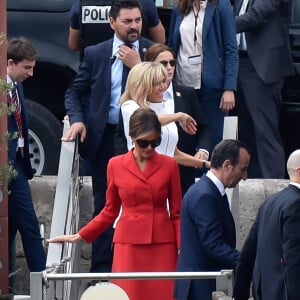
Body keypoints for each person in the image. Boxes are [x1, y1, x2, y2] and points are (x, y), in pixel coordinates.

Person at [49, 108, 182, 300]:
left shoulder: (169, 165)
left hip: (163, 244)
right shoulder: (115, 165)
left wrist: (182, 247)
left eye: (155, 142)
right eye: (144, 143)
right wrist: (80, 235)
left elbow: (177, 213)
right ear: (132, 137)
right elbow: (110, 211)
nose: (150, 148)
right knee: (128, 295)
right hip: (128, 245)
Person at [62, 0, 153, 274]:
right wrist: (78, 120)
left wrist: (139, 66)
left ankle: (137, 271)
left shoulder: (150, 52)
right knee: (105, 206)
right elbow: (73, 92)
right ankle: (101, 273)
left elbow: (165, 94)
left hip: (142, 143)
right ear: (112, 23)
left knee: (141, 208)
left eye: (137, 20)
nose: (134, 26)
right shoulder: (95, 54)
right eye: (128, 21)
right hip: (104, 141)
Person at [174, 139, 250, 300]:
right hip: (200, 287)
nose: (245, 176)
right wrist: (247, 261)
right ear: (227, 165)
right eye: (242, 169)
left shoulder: (208, 190)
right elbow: (213, 245)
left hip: (202, 284)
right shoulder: (205, 195)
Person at [233, 0, 293, 179]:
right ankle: (251, 183)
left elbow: (256, 16)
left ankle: (273, 189)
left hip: (261, 67)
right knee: (245, 131)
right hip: (238, 63)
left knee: (265, 132)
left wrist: (219, 24)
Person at [168, 0, 238, 148]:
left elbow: (231, 50)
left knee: (210, 139)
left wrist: (229, 87)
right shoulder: (179, 9)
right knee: (184, 138)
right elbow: (172, 46)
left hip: (211, 85)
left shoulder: (221, 7)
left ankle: (206, 171)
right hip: (183, 83)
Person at [144, 43, 212, 194]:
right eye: (163, 63)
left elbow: (203, 127)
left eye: (172, 63)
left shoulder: (186, 93)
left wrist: (203, 151)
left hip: (182, 171)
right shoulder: (138, 98)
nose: (169, 67)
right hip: (147, 170)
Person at [120, 61, 211, 174]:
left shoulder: (166, 106)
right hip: (143, 174)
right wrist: (179, 116)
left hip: (167, 174)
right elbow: (148, 121)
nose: (163, 87)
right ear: (143, 86)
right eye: (157, 83)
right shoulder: (130, 106)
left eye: (164, 81)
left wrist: (206, 164)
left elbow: (174, 154)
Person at [233, 149, 300, 300]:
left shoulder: (270, 202)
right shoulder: (296, 204)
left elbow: (247, 254)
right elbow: (293, 259)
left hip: (264, 291)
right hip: (284, 293)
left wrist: (239, 294)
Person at [7, 37, 46, 289]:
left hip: (18, 167)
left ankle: (41, 283)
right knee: (19, 227)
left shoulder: (17, 86)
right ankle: (39, 282)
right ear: (10, 63)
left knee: (24, 225)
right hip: (6, 167)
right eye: (27, 68)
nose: (31, 74)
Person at [69, 0, 165, 60]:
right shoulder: (144, 3)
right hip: (134, 72)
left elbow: (73, 45)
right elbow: (160, 40)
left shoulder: (80, 4)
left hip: (94, 71)